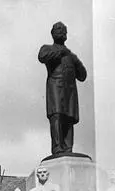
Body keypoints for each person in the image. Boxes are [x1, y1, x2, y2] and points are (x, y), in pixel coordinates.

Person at [38, 22, 87, 155]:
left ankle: (68, 148)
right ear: (52, 34)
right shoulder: (47, 48)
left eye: (63, 30)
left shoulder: (71, 56)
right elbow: (42, 57)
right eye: (57, 30)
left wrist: (76, 62)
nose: (60, 32)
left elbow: (83, 75)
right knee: (57, 116)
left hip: (70, 91)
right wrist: (61, 52)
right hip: (55, 87)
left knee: (69, 118)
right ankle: (57, 147)